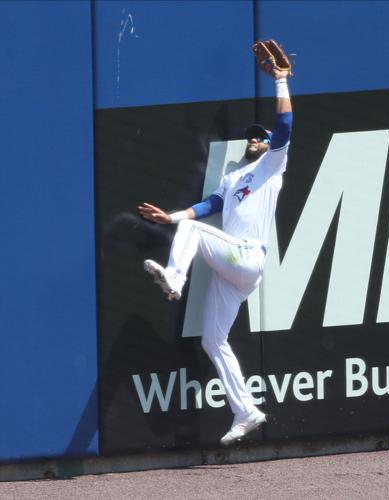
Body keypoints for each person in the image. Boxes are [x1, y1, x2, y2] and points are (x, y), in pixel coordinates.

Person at [137, 51, 293, 446]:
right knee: (212, 340)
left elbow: (285, 125)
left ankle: (174, 278)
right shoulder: (234, 177)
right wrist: (169, 218)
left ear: (270, 146)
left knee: (193, 230)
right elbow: (211, 205)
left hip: (248, 254)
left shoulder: (271, 167)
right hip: (235, 270)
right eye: (252, 137)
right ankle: (246, 411)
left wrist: (280, 81)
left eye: (261, 137)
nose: (255, 140)